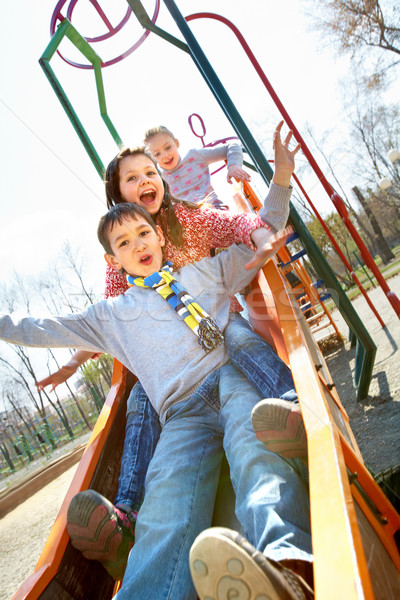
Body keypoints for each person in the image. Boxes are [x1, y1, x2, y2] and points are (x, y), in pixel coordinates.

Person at [0, 202, 313, 600]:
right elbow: (44, 327)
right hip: (182, 414)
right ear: (113, 260)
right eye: (124, 242)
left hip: (229, 376)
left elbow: (257, 234)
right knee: (164, 501)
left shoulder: (203, 273)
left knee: (255, 451)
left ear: (160, 236)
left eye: (143, 233)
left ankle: (288, 565)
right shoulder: (111, 316)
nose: (138, 245)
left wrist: (277, 198)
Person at [37, 123, 306, 580]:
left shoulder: (187, 222)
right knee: (140, 392)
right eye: (132, 177)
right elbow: (107, 321)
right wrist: (75, 356)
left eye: (151, 171)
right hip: (176, 388)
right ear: (118, 195)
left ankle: (290, 408)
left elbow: (245, 226)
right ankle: (127, 515)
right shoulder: (124, 256)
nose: (146, 180)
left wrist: (277, 186)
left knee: (238, 344)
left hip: (221, 351)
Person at [144, 124, 251, 209]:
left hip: (214, 210)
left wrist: (233, 166)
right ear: (153, 158)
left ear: (176, 143)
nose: (164, 155)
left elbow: (232, 146)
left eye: (167, 147)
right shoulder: (160, 180)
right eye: (157, 154)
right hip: (190, 225)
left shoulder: (194, 157)